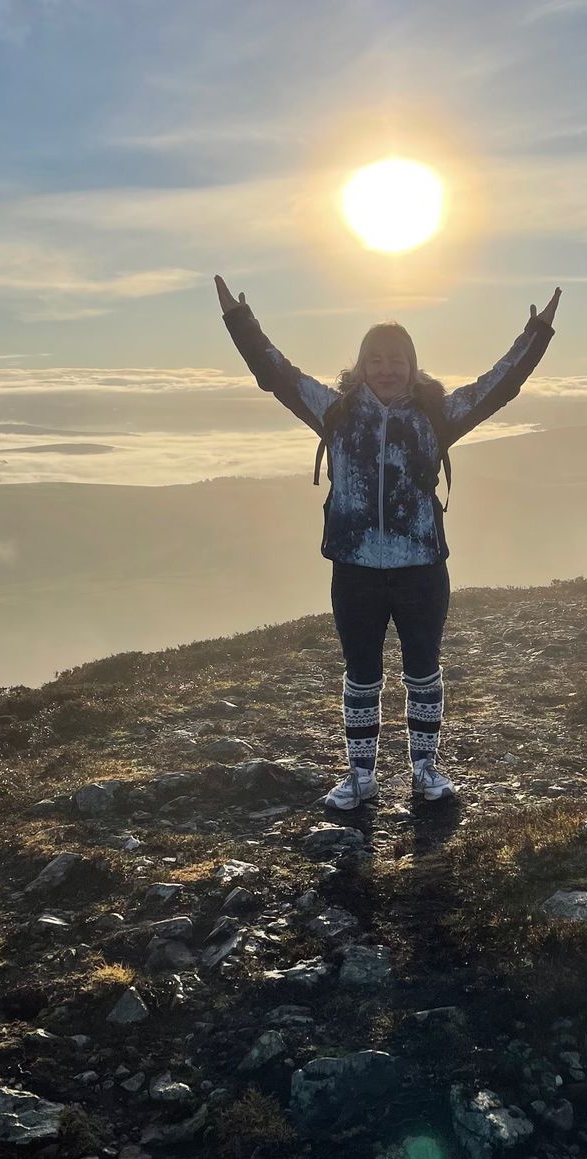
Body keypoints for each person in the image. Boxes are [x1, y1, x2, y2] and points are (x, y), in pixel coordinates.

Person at [215, 273, 560, 809]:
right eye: (375, 359)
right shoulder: (334, 412)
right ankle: (361, 776)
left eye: (397, 359)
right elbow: (276, 374)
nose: (386, 368)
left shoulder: (435, 415)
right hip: (354, 566)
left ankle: (426, 769)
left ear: (412, 365)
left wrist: (536, 334)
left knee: (423, 667)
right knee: (361, 674)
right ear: (360, 365)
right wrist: (240, 322)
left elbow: (498, 387)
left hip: (421, 564)